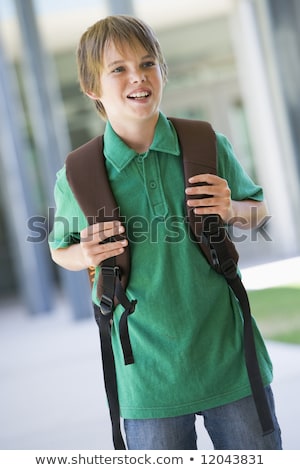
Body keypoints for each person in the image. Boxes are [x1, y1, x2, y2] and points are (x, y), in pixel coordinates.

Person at [48, 15, 282, 450]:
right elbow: (60, 249)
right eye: (118, 68)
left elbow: (259, 212)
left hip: (230, 361)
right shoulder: (77, 174)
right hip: (145, 380)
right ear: (92, 88)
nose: (138, 77)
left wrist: (231, 208)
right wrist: (84, 254)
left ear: (163, 72)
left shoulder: (205, 144)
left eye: (148, 63)